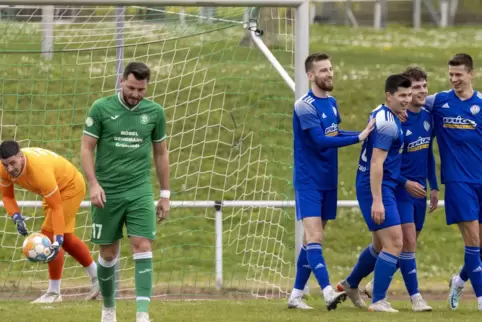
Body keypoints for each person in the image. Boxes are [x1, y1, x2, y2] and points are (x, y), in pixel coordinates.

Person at [81, 61, 170, 322]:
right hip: (107, 191)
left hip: (139, 189)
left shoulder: (155, 112)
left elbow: (161, 152)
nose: (136, 94)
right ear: (122, 81)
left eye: (141, 89)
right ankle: (108, 310)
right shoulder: (101, 108)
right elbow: (87, 148)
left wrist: (165, 194)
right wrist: (93, 184)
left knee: (142, 245)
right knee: (108, 253)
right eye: (132, 87)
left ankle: (142, 315)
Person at [287, 52, 374, 311]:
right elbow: (321, 141)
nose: (329, 73)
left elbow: (334, 132)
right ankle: (327, 291)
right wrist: (358, 138)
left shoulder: (332, 102)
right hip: (308, 180)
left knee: (309, 241)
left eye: (330, 68)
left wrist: (366, 133)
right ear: (311, 75)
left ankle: (295, 295)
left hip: (328, 179)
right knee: (316, 236)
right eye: (323, 70)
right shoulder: (304, 105)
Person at [361, 67, 438, 312]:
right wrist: (403, 184)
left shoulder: (427, 117)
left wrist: (433, 186)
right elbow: (383, 163)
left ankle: (357, 283)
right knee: (405, 243)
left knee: (388, 247)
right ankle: (415, 298)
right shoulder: (392, 120)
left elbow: (427, 155)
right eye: (415, 88)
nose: (421, 91)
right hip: (399, 189)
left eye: (424, 86)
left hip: (420, 191)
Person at [337, 74, 411, 312]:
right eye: (402, 95)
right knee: (395, 243)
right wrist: (377, 200)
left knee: (380, 247)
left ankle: (350, 284)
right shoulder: (388, 123)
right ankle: (378, 300)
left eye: (409, 95)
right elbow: (377, 163)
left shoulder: (381, 112)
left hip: (378, 185)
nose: (407, 100)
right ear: (389, 95)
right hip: (377, 187)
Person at [0, 141, 99, 303]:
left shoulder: (39, 171)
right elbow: (7, 197)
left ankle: (54, 293)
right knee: (66, 239)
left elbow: (57, 207)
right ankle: (98, 277)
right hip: (50, 192)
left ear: (21, 157)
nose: (10, 169)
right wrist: (16, 216)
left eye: (13, 163)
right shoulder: (3, 169)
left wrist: (57, 238)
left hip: (70, 187)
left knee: (49, 237)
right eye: (5, 165)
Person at [423, 53, 482, 311]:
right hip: (458, 182)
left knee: (480, 244)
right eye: (451, 75)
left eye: (459, 74)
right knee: (472, 239)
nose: (454, 79)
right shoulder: (438, 102)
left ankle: (458, 281)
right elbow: (408, 101)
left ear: (471, 74)